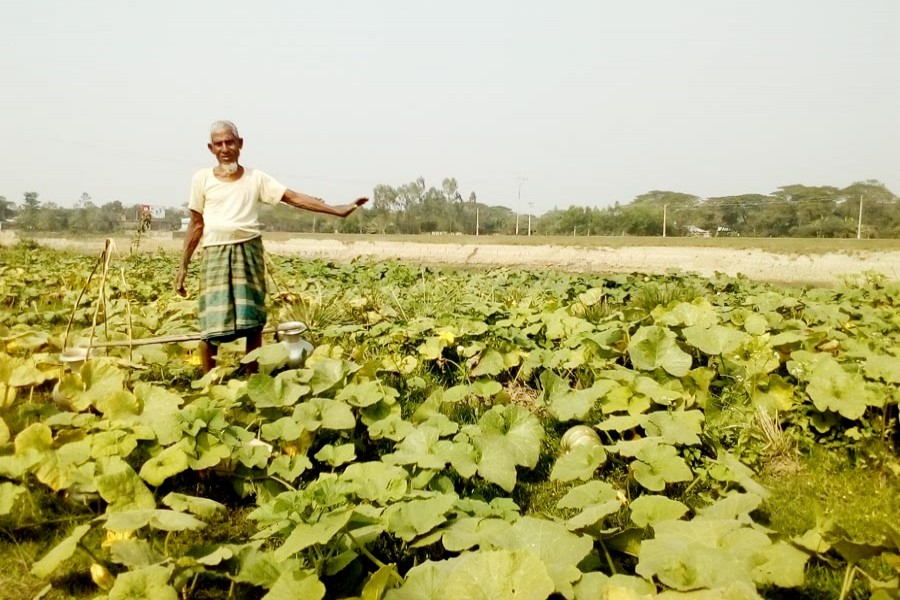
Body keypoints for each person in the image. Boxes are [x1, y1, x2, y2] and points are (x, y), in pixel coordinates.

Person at [175, 120, 367, 373]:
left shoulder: (256, 178)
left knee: (252, 321)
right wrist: (182, 267)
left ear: (240, 144)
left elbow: (292, 197)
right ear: (211, 148)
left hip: (248, 251)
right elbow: (196, 224)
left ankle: (252, 378)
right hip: (215, 253)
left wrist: (336, 210)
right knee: (212, 323)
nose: (225, 148)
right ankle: (208, 384)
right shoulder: (201, 179)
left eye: (230, 142)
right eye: (219, 144)